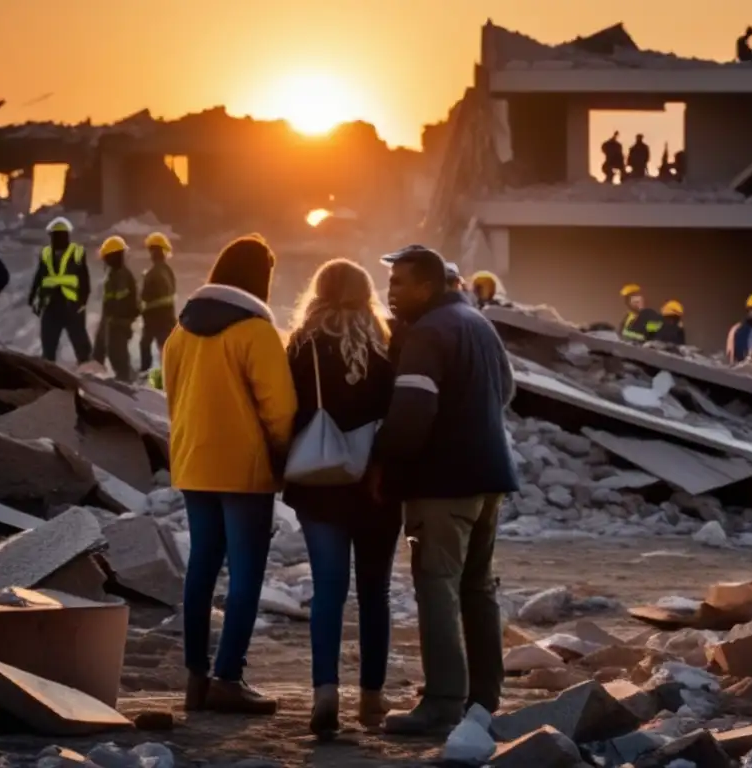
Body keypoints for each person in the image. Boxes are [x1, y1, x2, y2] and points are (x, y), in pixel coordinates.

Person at [370, 245, 517, 735]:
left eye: (400, 283)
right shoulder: (476, 323)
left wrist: (382, 464)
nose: (390, 293)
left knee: (437, 586)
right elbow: (508, 389)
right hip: (488, 477)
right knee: (477, 587)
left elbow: (411, 415)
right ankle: (483, 695)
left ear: (428, 287)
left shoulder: (428, 333)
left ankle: (441, 702)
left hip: (443, 484)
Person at [163, 234, 297, 715]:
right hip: (243, 470)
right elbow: (280, 409)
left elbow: (172, 399)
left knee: (200, 569)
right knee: (245, 574)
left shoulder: (180, 332)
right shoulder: (256, 332)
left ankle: (195, 679)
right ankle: (229, 678)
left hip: (193, 464)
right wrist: (285, 457)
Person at [283, 259, 400, 738]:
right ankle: (372, 698)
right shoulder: (388, 345)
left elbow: (285, 410)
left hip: (319, 484)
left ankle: (324, 693)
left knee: (329, 590)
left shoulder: (301, 345)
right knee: (375, 592)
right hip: (376, 486)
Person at [28, 217, 92, 365]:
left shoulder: (77, 252)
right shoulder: (46, 253)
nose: (57, 239)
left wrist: (83, 302)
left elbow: (84, 279)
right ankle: (48, 374)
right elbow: (40, 275)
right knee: (48, 347)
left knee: (81, 346)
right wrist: (33, 297)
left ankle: (88, 373)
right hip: (51, 304)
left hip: (71, 305)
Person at [92, 236, 139, 382]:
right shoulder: (113, 276)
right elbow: (108, 306)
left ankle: (128, 383)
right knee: (112, 352)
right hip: (113, 323)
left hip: (119, 323)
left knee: (118, 355)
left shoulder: (122, 275)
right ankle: (126, 380)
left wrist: (114, 321)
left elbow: (122, 304)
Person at [139, 231, 178, 373]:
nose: (152, 254)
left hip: (157, 318)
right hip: (164, 317)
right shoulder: (166, 270)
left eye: (153, 250)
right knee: (161, 347)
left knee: (151, 346)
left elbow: (146, 296)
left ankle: (148, 374)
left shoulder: (155, 272)